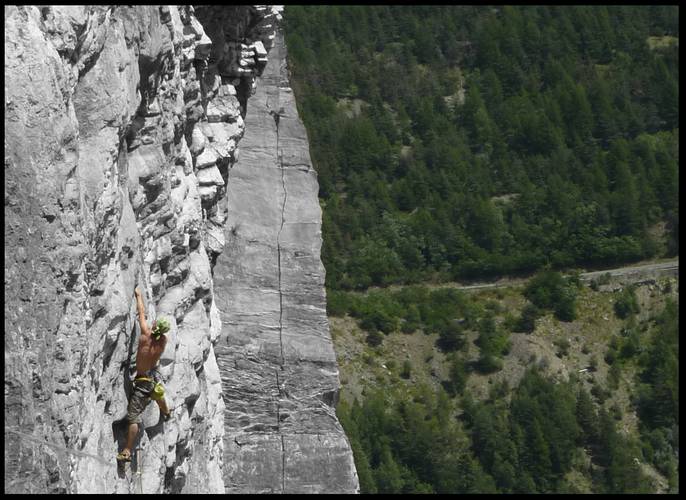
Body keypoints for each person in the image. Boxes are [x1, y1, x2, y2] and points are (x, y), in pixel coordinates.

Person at [116, 287, 172, 462]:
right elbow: (156, 331)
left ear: (154, 327)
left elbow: (141, 312)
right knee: (157, 393)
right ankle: (167, 411)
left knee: (133, 418)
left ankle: (127, 450)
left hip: (141, 383)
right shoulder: (163, 341)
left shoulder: (146, 335)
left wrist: (138, 295)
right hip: (151, 376)